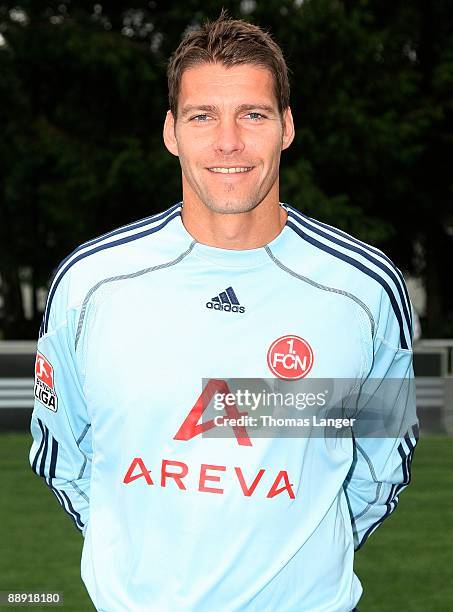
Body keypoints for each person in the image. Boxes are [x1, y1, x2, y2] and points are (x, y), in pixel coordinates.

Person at [29, 13, 418, 612]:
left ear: (286, 127)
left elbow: (381, 463)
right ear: (171, 132)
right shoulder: (91, 284)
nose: (228, 141)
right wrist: (135, 567)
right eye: (202, 116)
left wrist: (302, 562)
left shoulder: (362, 292)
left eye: (252, 115)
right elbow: (62, 453)